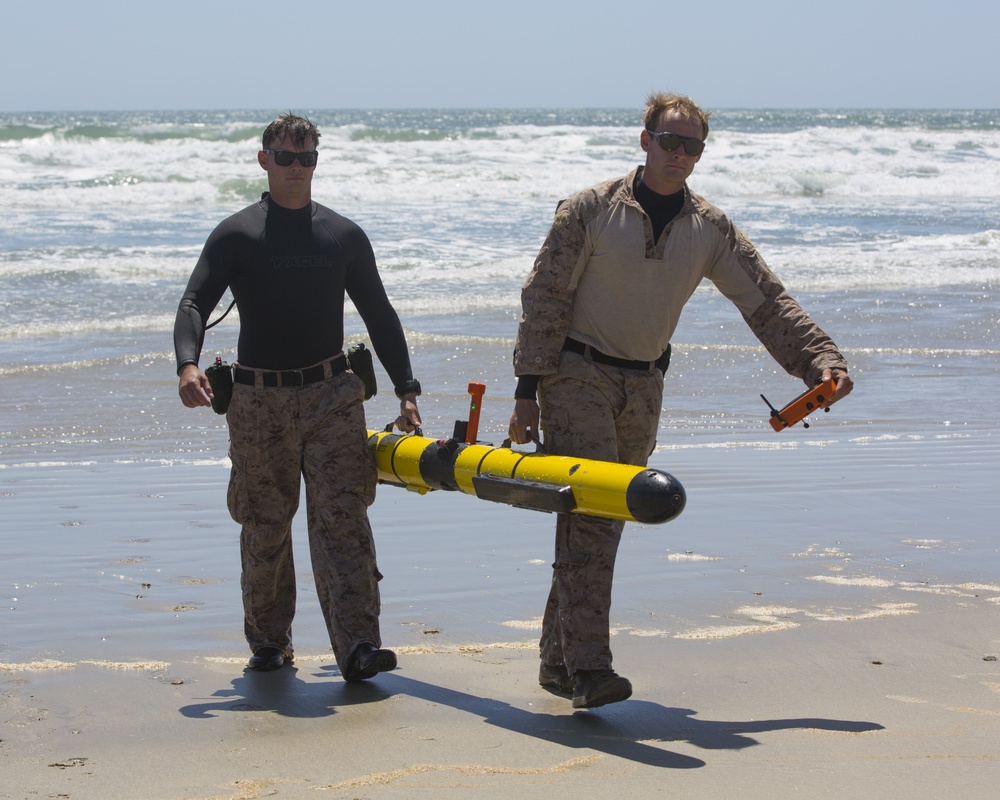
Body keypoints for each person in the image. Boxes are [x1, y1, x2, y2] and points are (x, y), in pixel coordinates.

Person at [507, 92, 853, 709]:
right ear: (644, 141)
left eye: (692, 145)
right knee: (593, 512)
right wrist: (526, 392)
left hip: (644, 383)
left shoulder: (710, 229)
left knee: (603, 522)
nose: (680, 154)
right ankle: (590, 669)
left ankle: (557, 661)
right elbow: (545, 297)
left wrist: (821, 362)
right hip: (575, 374)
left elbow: (767, 302)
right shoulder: (589, 209)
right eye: (670, 141)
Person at [174, 113, 422, 680]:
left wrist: (407, 388)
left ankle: (359, 645)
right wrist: (188, 364)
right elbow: (193, 304)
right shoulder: (238, 234)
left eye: (306, 157)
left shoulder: (342, 235)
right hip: (258, 400)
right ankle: (270, 641)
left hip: (333, 393)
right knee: (265, 523)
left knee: (343, 518)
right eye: (285, 157)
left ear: (317, 161)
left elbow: (379, 314)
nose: (296, 168)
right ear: (263, 160)